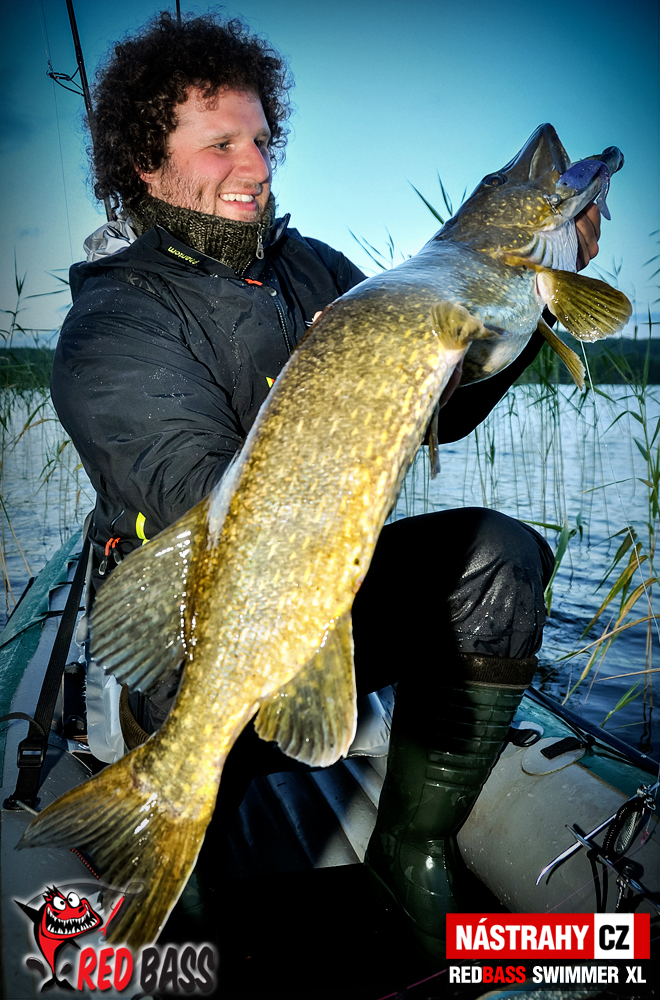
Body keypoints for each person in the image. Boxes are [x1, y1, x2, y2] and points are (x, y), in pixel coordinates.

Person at [50, 12, 602, 961]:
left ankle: (411, 850)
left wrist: (522, 303)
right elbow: (194, 498)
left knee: (498, 559)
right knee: (187, 717)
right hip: (198, 630)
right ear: (144, 164)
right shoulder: (113, 322)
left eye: (261, 141)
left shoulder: (317, 272)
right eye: (220, 144)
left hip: (324, 589)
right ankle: (176, 856)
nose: (255, 167)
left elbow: (445, 407)